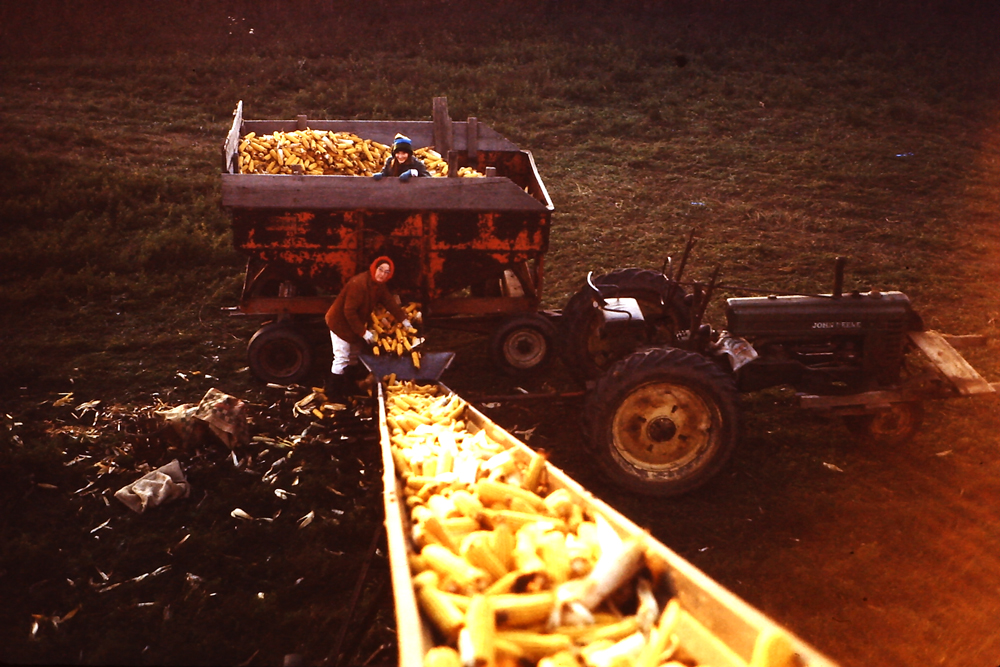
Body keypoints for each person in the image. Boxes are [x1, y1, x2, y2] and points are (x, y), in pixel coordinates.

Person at [324, 256, 411, 400]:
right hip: (339, 323)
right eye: (380, 270)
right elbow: (349, 311)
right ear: (374, 268)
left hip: (353, 324)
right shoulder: (359, 284)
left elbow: (389, 302)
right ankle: (333, 394)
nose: (382, 274)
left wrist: (404, 320)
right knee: (341, 358)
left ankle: (349, 389)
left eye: (386, 272)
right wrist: (363, 332)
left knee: (353, 358)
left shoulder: (379, 286)